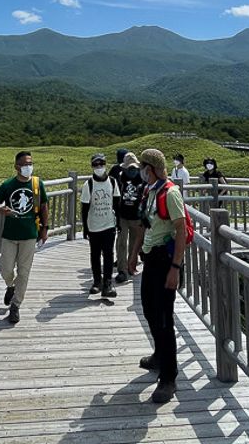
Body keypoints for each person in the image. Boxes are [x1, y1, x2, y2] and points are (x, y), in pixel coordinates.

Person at [128, 148, 187, 404]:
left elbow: (181, 230)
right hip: (150, 259)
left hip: (165, 262)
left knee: (164, 318)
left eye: (143, 167)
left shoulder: (170, 193)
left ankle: (169, 376)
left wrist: (175, 268)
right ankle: (159, 354)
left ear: (150, 169)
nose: (141, 172)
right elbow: (144, 224)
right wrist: (133, 253)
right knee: (150, 310)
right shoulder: (149, 191)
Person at [0, 151, 48, 324]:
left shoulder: (38, 184)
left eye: (30, 163)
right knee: (5, 269)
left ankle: (15, 305)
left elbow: (44, 206)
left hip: (29, 234)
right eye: (24, 164)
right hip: (9, 234)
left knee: (24, 272)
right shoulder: (7, 185)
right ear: (16, 167)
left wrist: (44, 229)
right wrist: (2, 211)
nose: (28, 167)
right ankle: (10, 286)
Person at [82, 152, 120, 297]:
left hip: (109, 224)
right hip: (94, 225)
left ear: (105, 164)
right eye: (95, 164)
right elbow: (84, 208)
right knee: (95, 254)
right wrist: (85, 228)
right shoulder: (89, 184)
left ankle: (108, 283)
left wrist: (119, 222)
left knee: (109, 254)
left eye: (101, 164)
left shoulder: (112, 182)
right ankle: (97, 282)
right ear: (92, 166)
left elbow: (117, 202)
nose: (99, 167)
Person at [114, 151, 146, 283]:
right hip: (122, 215)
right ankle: (122, 270)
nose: (132, 170)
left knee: (134, 244)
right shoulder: (119, 178)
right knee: (121, 242)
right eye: (129, 167)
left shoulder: (142, 178)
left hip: (136, 216)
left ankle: (130, 266)